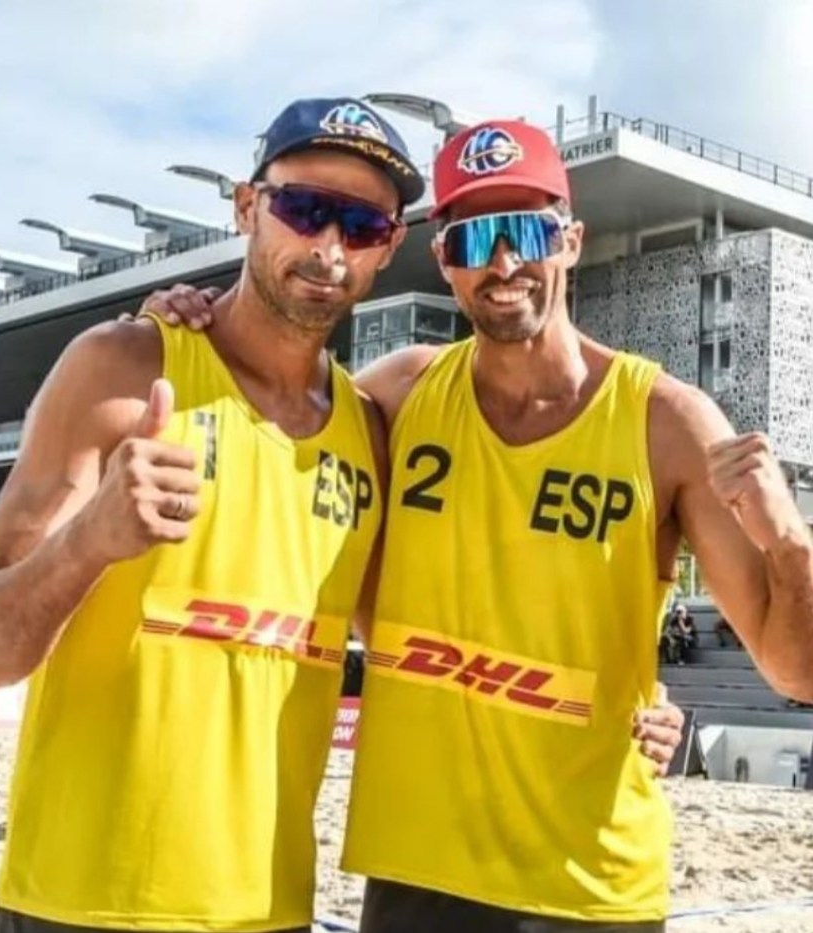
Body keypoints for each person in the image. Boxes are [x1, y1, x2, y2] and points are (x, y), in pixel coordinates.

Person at [147, 117, 813, 931]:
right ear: (443, 260)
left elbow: (797, 672)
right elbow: (272, 404)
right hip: (417, 869)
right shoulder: (398, 395)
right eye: (473, 239)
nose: (502, 264)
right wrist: (192, 320)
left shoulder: (665, 421)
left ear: (570, 240)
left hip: (585, 881)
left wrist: (791, 541)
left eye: (526, 232)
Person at [0, 97, 419, 933]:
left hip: (264, 912)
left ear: (390, 246)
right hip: (79, 906)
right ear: (246, 206)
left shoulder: (370, 432)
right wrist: (89, 541)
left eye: (362, 224)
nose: (329, 247)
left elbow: (412, 646)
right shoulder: (123, 370)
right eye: (303, 208)